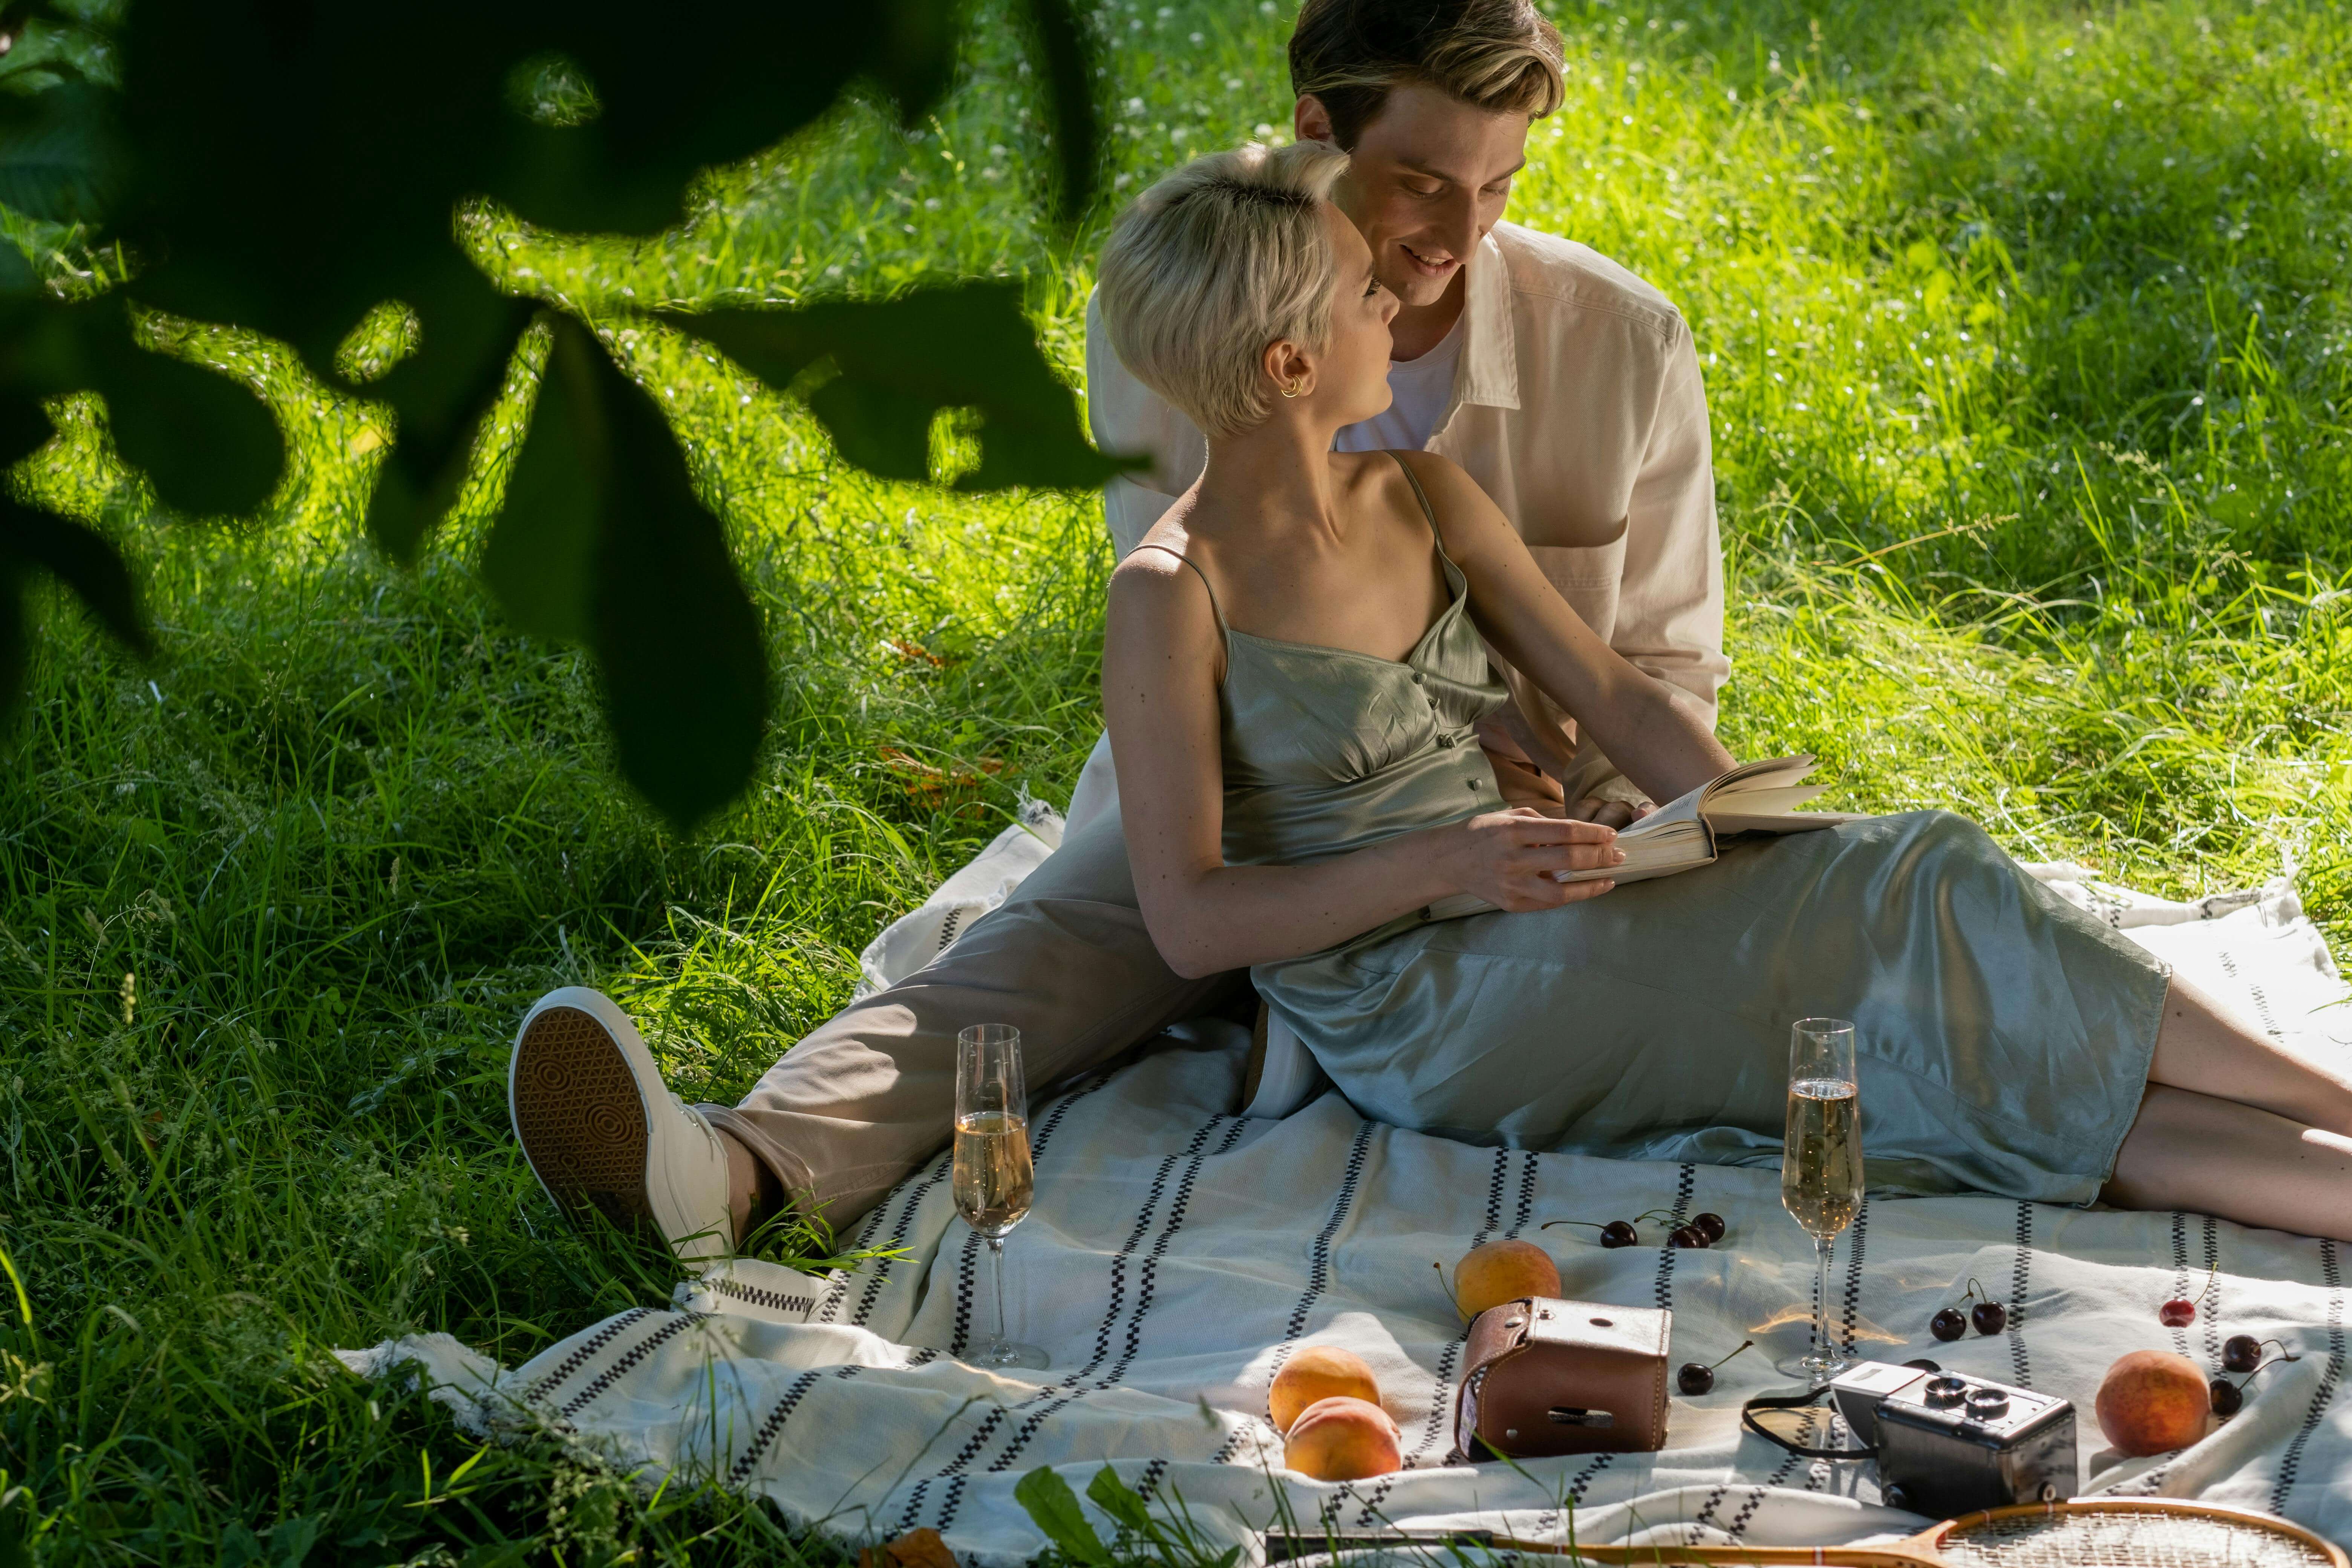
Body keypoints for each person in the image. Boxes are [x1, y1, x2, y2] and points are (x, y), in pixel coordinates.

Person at [507, 0, 1733, 1261]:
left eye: (1500, 184)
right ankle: (733, 1173)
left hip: (1542, 810)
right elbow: (1197, 614)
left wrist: (1633, 821)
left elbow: (1662, 666)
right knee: (1069, 939)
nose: (1463, 232)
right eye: (1424, 181)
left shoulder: (1622, 342)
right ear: (1319, 129)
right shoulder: (1175, 307)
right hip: (1251, 765)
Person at [1087, 138, 2352, 1241]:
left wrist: (1749, 829)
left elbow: (1617, 698)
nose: (1395, 307)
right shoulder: (1172, 593)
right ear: (1294, 367)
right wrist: (1452, 866)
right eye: (1365, 293)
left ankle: (2325, 1111)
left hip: (1551, 900)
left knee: (1914, 887)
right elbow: (1192, 920)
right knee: (1916, 1001)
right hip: (1425, 1000)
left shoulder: (1424, 491)